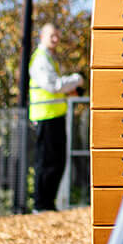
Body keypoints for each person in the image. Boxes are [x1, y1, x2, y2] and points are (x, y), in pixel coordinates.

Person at [30, 22, 84, 210]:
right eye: (51, 35)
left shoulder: (51, 59)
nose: (55, 39)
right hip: (46, 117)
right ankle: (41, 204)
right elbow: (53, 86)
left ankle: (47, 203)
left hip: (55, 116)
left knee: (56, 161)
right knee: (46, 162)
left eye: (57, 36)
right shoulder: (41, 59)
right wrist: (76, 80)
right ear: (42, 36)